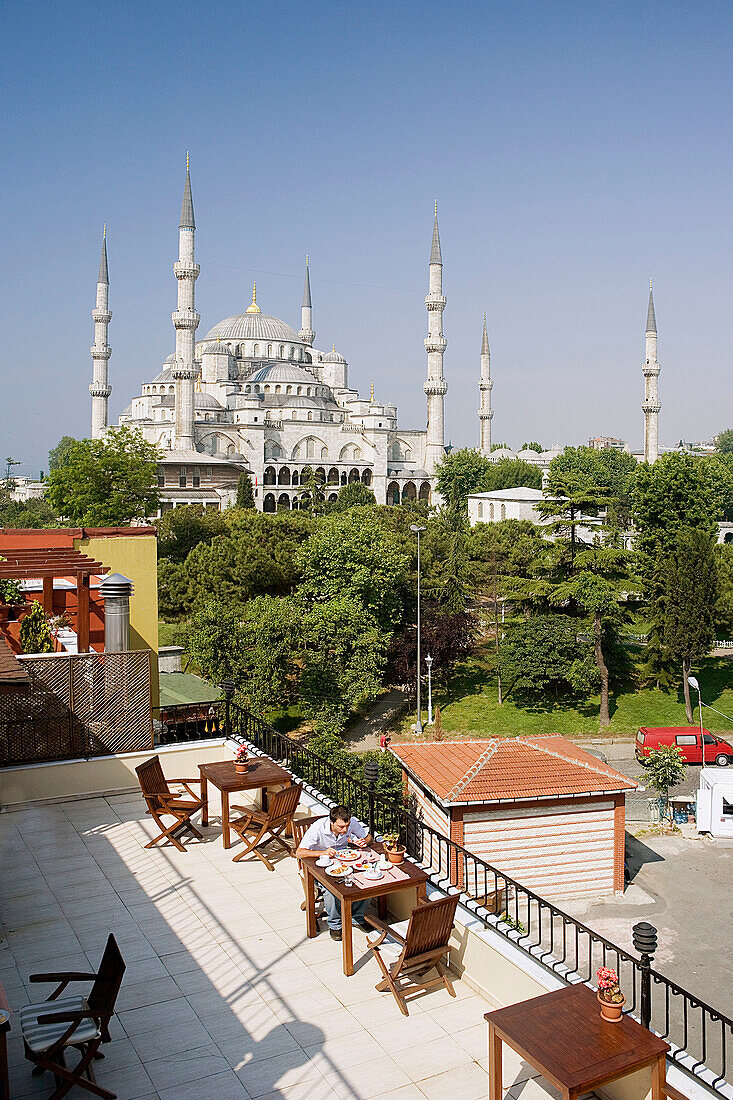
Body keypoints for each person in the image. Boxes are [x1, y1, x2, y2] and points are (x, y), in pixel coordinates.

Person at [296, 804, 373, 941]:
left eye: (347, 826)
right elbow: (299, 853)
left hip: (343, 862)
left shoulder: (350, 823)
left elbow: (369, 838)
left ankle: (357, 916)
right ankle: (335, 925)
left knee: (367, 877)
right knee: (331, 890)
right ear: (331, 822)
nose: (345, 830)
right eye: (341, 827)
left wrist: (362, 842)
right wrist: (323, 853)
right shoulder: (317, 828)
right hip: (318, 864)